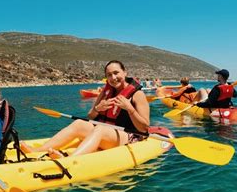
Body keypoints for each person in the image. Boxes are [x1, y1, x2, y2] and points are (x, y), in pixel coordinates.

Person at [21, 60, 150, 158]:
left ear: (125, 72)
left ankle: (71, 159)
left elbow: (144, 128)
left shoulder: (137, 95)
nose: (113, 78)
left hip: (129, 136)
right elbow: (90, 117)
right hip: (107, 133)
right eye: (109, 75)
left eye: (116, 73)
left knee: (100, 129)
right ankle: (37, 151)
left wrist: (129, 109)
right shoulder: (106, 92)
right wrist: (98, 109)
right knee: (79, 123)